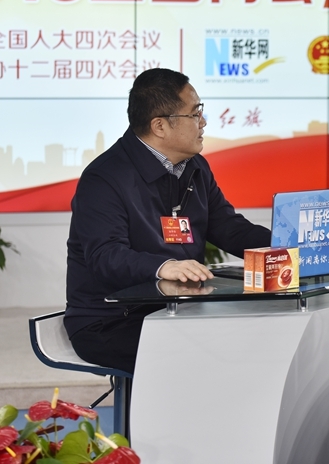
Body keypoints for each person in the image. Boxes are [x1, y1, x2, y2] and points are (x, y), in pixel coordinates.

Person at [65, 68, 271, 373]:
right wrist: (164, 267)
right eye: (195, 113)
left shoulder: (195, 167)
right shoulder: (104, 178)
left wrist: (290, 245)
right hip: (111, 320)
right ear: (160, 126)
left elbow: (229, 228)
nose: (203, 122)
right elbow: (106, 256)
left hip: (177, 309)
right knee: (212, 354)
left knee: (258, 334)